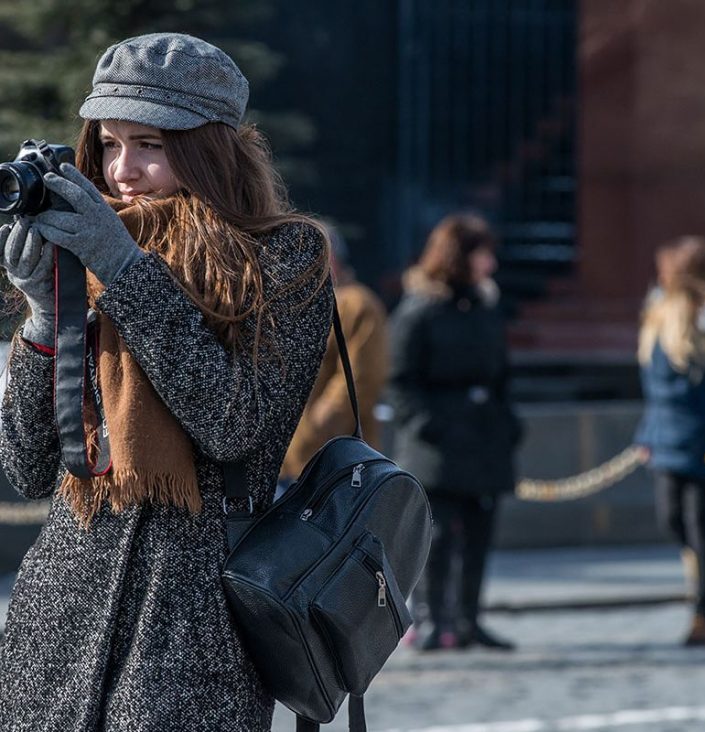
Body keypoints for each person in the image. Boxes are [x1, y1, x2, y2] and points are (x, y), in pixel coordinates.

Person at [0, 33, 333, 730]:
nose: (124, 170)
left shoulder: (285, 257)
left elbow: (235, 425)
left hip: (195, 630)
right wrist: (39, 314)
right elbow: (28, 468)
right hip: (58, 621)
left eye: (149, 144)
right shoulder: (85, 250)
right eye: (110, 143)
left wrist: (122, 269)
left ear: (209, 147)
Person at [388, 213, 521, 651]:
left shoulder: (485, 306)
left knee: (480, 534)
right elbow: (401, 379)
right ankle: (430, 619)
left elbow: (502, 374)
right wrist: (432, 425)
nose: (491, 264)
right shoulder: (419, 310)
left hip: (484, 439)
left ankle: (468, 619)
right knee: (437, 537)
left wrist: (507, 423)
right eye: (483, 254)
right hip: (438, 447)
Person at [636, 235, 705, 647]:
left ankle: (702, 614)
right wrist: (646, 434)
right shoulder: (658, 314)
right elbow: (652, 385)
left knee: (702, 527)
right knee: (672, 520)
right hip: (668, 437)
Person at [280, 227, 388, 484]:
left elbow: (360, 382)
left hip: (332, 463)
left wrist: (312, 431)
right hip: (294, 460)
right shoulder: (298, 303)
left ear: (328, 258)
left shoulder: (356, 304)